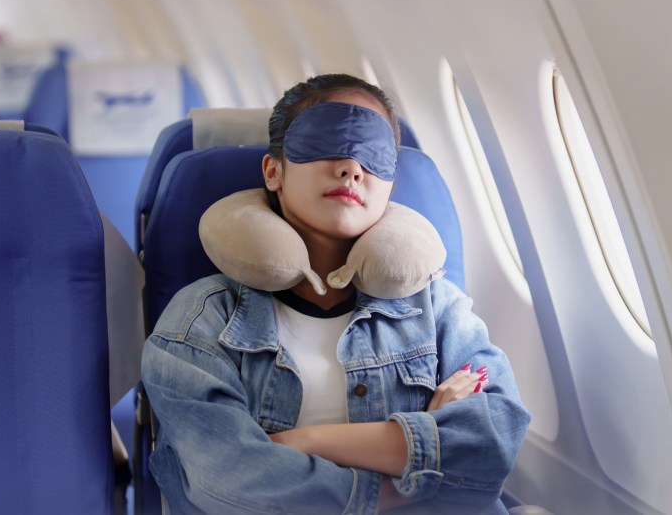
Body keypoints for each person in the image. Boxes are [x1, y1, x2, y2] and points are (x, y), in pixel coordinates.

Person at [142, 74, 530, 514]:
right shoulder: (200, 322)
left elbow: (495, 440)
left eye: (373, 153)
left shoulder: (436, 307)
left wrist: (303, 441)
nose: (351, 168)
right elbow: (229, 481)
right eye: (325, 142)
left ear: (391, 185)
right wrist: (409, 479)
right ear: (274, 171)